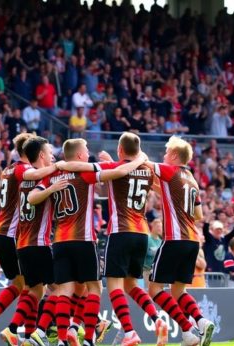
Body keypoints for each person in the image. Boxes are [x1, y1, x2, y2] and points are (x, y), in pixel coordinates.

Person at [28, 138, 147, 346]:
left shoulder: (52, 175)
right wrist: (141, 158)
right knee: (94, 288)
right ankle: (89, 338)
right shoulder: (86, 173)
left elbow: (31, 198)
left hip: (61, 241)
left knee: (64, 290)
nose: (88, 152)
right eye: (86, 150)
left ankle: (64, 338)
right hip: (84, 239)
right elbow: (119, 172)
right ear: (80, 155)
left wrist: (50, 190)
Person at [0, 133, 61, 346]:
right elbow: (36, 176)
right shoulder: (24, 170)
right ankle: (22, 330)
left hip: (0, 232)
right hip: (13, 234)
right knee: (37, 287)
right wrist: (57, 167)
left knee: (26, 285)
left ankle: (17, 331)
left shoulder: (8, 169)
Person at [90, 132, 167, 345]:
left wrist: (110, 162)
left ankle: (129, 332)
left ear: (120, 150)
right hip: (141, 232)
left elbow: (108, 179)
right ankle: (157, 319)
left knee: (115, 285)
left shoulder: (115, 169)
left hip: (120, 230)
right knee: (133, 285)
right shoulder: (146, 170)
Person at [145, 136, 214, 346]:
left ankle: (187, 329)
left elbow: (143, 162)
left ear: (174, 155)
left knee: (155, 289)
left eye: (166, 152)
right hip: (192, 240)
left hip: (174, 238)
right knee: (178, 290)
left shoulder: (169, 170)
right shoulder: (191, 179)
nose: (164, 156)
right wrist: (162, 192)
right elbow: (199, 214)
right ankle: (201, 322)